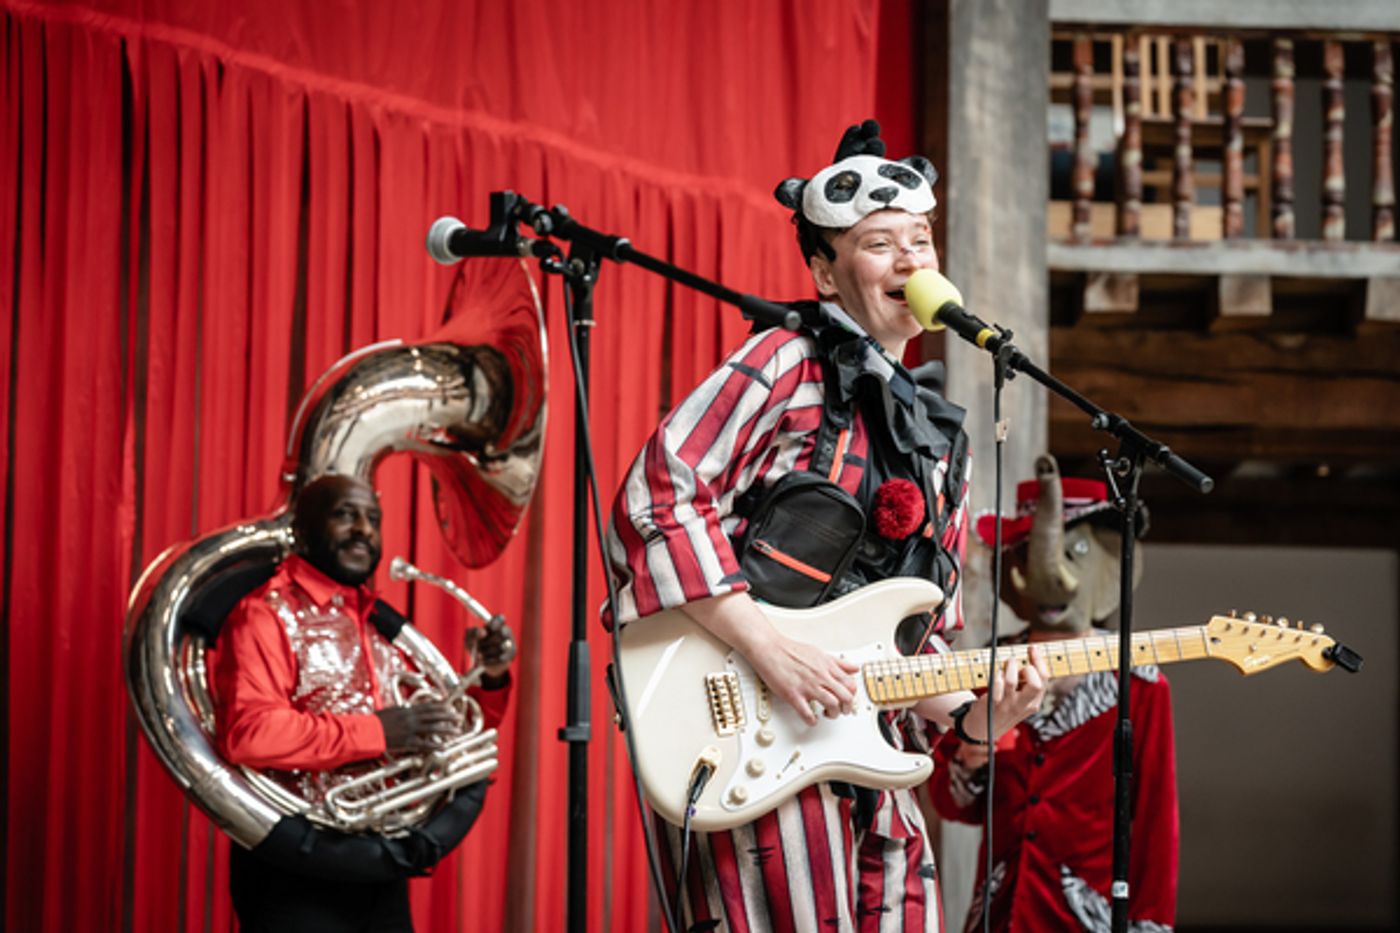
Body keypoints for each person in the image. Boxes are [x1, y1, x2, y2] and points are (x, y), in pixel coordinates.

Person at [606, 120, 1050, 932]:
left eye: (921, 239)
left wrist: (979, 720)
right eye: (880, 243)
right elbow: (660, 491)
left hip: (866, 751)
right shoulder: (785, 361)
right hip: (754, 739)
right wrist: (769, 648)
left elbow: (919, 646)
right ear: (823, 268)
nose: (912, 259)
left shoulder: (940, 441)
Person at [213, 474, 517, 933]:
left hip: (377, 865)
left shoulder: (380, 625)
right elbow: (248, 735)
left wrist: (488, 676)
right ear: (303, 527)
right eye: (345, 515)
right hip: (294, 869)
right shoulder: (264, 613)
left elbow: (453, 737)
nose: (364, 529)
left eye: (373, 519)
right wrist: (379, 731)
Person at [928, 466, 1178, 932]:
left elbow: (1156, 823)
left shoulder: (1139, 685)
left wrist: (1150, 924)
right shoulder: (986, 667)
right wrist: (967, 759)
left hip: (1091, 915)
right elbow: (949, 801)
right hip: (1003, 910)